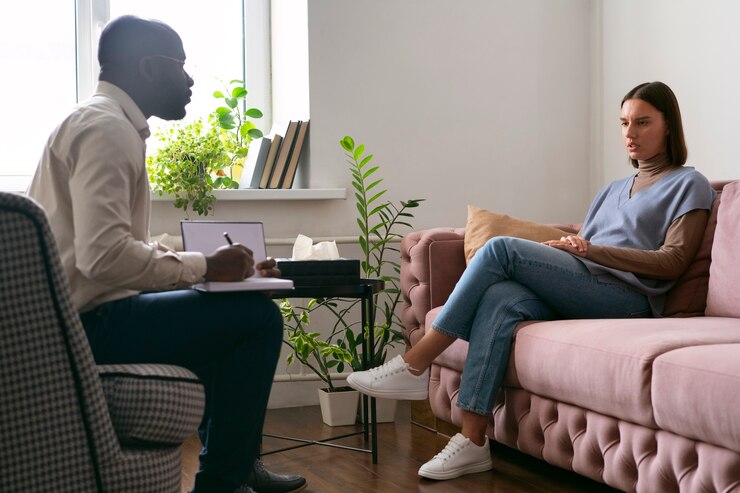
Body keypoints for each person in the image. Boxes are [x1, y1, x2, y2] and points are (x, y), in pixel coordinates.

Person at [347, 81, 716, 481]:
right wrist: (571, 252)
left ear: (668, 126)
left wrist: (591, 251)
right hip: (584, 284)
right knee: (502, 297)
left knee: (501, 249)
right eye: (624, 122)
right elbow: (585, 247)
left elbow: (672, 262)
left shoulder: (688, 184)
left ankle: (416, 361)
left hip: (629, 299)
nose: (630, 133)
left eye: (643, 122)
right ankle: (472, 441)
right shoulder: (612, 189)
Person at [27, 15, 306, 493]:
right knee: (258, 319)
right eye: (182, 66)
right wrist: (203, 267)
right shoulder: (107, 131)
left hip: (81, 316)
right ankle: (224, 481)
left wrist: (217, 267)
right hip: (87, 326)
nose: (191, 79)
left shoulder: (97, 122)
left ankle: (233, 469)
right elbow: (103, 258)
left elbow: (112, 247)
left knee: (229, 309)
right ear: (149, 68)